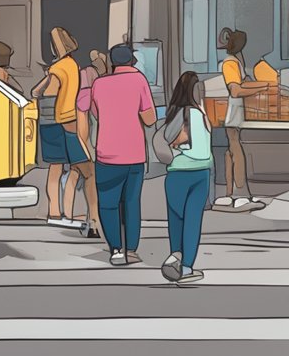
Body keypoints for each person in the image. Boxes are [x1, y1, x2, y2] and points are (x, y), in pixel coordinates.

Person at [88, 44, 158, 266]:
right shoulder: (139, 81)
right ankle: (132, 250)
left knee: (108, 203)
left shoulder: (98, 84)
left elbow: (96, 114)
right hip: (134, 154)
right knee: (131, 203)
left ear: (111, 61)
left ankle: (116, 250)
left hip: (106, 153)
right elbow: (150, 119)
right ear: (132, 61)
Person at [31, 27, 87, 230]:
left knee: (55, 168)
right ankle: (67, 211)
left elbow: (46, 92)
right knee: (74, 166)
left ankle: (54, 211)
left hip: (53, 121)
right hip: (70, 118)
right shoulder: (72, 65)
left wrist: (39, 90)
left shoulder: (57, 68)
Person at [161, 71, 212, 284]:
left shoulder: (172, 113)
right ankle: (187, 267)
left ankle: (175, 256)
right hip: (198, 173)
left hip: (174, 173)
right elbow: (201, 151)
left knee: (176, 219)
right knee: (192, 221)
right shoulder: (197, 114)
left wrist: (178, 148)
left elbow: (165, 140)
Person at [215, 28, 271, 212]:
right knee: (237, 152)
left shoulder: (237, 61)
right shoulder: (230, 63)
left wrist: (259, 84)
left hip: (237, 112)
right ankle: (240, 195)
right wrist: (262, 87)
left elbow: (243, 83)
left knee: (232, 152)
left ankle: (231, 193)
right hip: (235, 112)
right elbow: (236, 90)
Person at [68, 50, 110, 239]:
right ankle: (93, 220)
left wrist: (86, 148)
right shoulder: (96, 88)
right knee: (89, 176)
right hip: (98, 141)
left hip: (80, 137)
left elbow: (82, 127)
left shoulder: (82, 90)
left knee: (78, 175)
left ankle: (87, 219)